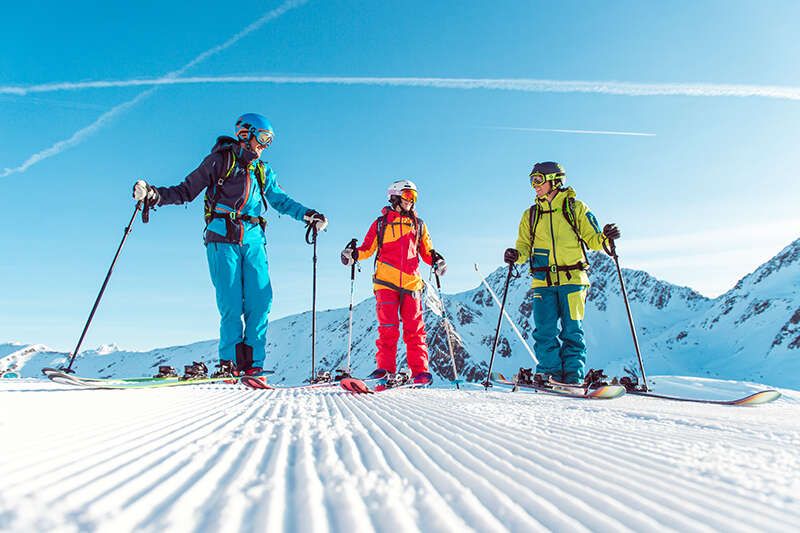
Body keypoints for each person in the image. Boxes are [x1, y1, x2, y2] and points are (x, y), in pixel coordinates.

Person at [132, 113, 327, 378]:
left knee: (261, 300)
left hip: (254, 239)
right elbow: (186, 190)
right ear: (246, 134)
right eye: (264, 138)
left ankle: (253, 363)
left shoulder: (262, 170)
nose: (265, 145)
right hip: (222, 238)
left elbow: (280, 199)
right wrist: (155, 195)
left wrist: (307, 214)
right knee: (231, 304)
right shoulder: (219, 161)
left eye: (269, 141)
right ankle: (230, 363)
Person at [504, 162, 620, 384]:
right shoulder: (530, 215)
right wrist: (515, 255)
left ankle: (573, 377)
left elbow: (594, 240)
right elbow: (523, 247)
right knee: (544, 331)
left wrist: (607, 237)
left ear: (555, 180)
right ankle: (550, 374)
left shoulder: (576, 209)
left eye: (538, 180)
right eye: (532, 181)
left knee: (572, 332)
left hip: (573, 280)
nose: (534, 186)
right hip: (542, 281)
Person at [340, 180, 446, 385]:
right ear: (395, 196)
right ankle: (385, 369)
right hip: (385, 282)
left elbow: (427, 252)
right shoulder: (381, 223)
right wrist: (353, 255)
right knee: (388, 328)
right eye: (408, 195)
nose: (411, 201)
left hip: (412, 283)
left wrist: (437, 260)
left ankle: (420, 372)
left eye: (414, 197)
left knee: (415, 330)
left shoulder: (419, 224)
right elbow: (367, 248)